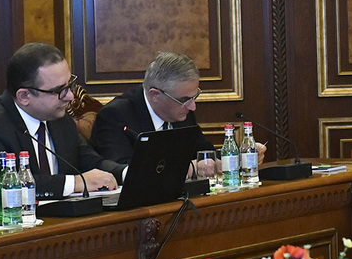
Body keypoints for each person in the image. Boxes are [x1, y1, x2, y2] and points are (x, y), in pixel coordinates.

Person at [0, 43, 118, 207]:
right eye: (59, 90)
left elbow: (91, 163)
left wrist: (125, 173)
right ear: (24, 96)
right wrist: (74, 183)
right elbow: (6, 187)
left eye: (70, 85)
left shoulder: (60, 120)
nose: (70, 96)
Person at [91, 51, 264, 172]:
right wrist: (189, 169)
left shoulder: (182, 110)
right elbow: (122, 171)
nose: (192, 106)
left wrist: (237, 158)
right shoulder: (116, 116)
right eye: (184, 100)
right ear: (155, 95)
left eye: (194, 97)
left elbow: (205, 153)